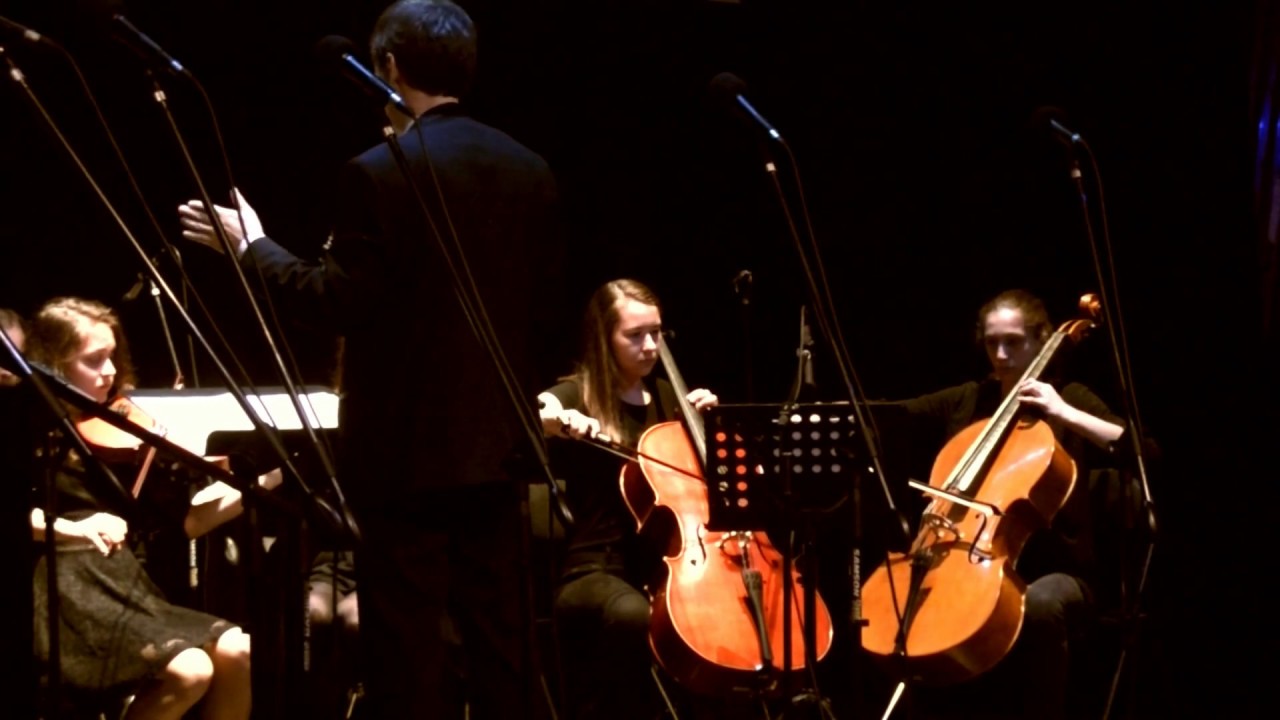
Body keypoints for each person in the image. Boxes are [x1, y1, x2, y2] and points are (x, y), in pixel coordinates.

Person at [177, 2, 564, 717]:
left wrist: (251, 246)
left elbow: (334, 302)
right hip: (500, 448)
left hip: (403, 454)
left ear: (387, 67)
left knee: (405, 647)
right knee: (504, 643)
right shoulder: (529, 168)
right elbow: (541, 309)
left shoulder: (376, 173)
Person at [25, 296, 277, 720]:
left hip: (126, 584)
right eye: (94, 360)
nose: (109, 372)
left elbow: (187, 524)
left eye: (112, 357)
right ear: (53, 362)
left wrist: (267, 485)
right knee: (191, 671)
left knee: (240, 651)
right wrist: (77, 529)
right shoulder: (28, 431)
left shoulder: (125, 426)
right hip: (64, 585)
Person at [893, 288, 1127, 720]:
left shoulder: (1069, 396)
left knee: (1037, 604)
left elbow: (1143, 450)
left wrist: (1065, 413)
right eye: (991, 342)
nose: (1000, 354)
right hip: (969, 560)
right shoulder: (969, 399)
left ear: (1042, 340)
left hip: (1061, 569)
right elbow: (892, 415)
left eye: (1014, 342)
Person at [536, 278, 723, 720]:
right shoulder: (578, 393)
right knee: (633, 617)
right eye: (634, 335)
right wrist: (559, 419)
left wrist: (709, 430)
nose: (650, 345)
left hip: (663, 567)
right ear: (604, 338)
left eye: (656, 332)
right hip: (595, 566)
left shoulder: (668, 399)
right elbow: (535, 412)